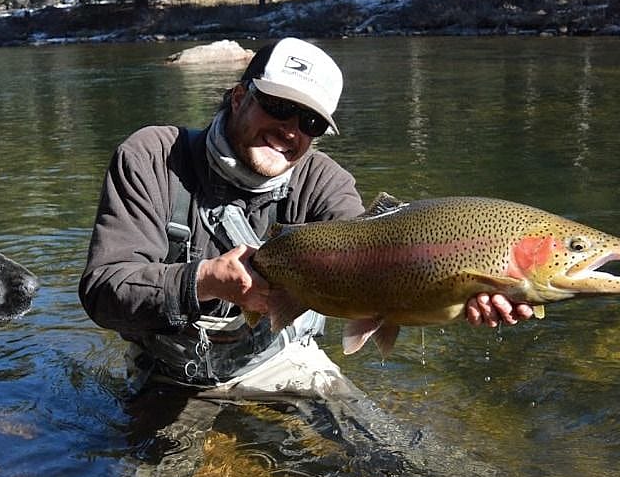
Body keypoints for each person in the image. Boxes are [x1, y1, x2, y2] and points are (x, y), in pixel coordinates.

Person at [79, 37, 533, 398]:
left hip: (278, 361)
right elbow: (104, 291)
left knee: (385, 467)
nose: (290, 130)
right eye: (277, 107)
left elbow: (376, 264)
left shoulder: (325, 183)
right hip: (168, 377)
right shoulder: (154, 156)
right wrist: (205, 280)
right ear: (239, 97)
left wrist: (469, 289)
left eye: (311, 123)